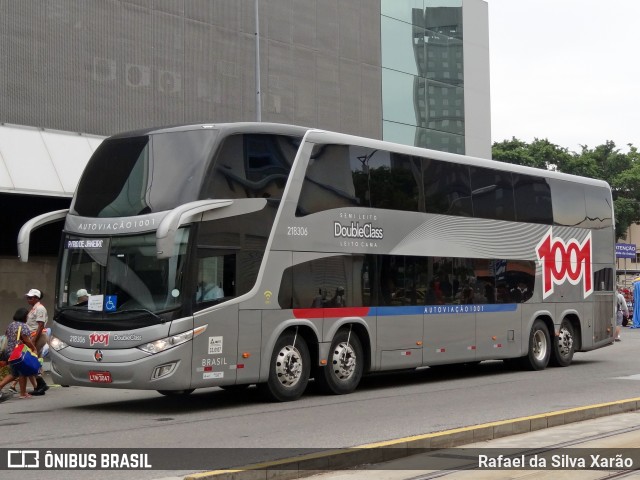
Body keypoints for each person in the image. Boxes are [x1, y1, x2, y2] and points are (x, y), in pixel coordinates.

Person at [0, 308, 39, 402]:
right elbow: (26, 339)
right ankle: (21, 393)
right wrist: (34, 348)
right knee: (17, 373)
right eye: (27, 316)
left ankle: (23, 393)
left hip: (10, 352)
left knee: (19, 373)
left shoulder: (11, 325)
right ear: (24, 316)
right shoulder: (23, 326)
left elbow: (7, 336)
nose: (27, 318)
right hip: (18, 353)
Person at [25, 288, 49, 394]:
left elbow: (40, 325)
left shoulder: (40, 308)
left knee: (31, 360)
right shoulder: (34, 309)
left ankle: (41, 384)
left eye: (30, 297)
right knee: (35, 360)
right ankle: (40, 386)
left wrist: (34, 341)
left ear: (36, 298)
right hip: (34, 337)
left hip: (38, 337)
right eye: (28, 297)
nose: (28, 299)